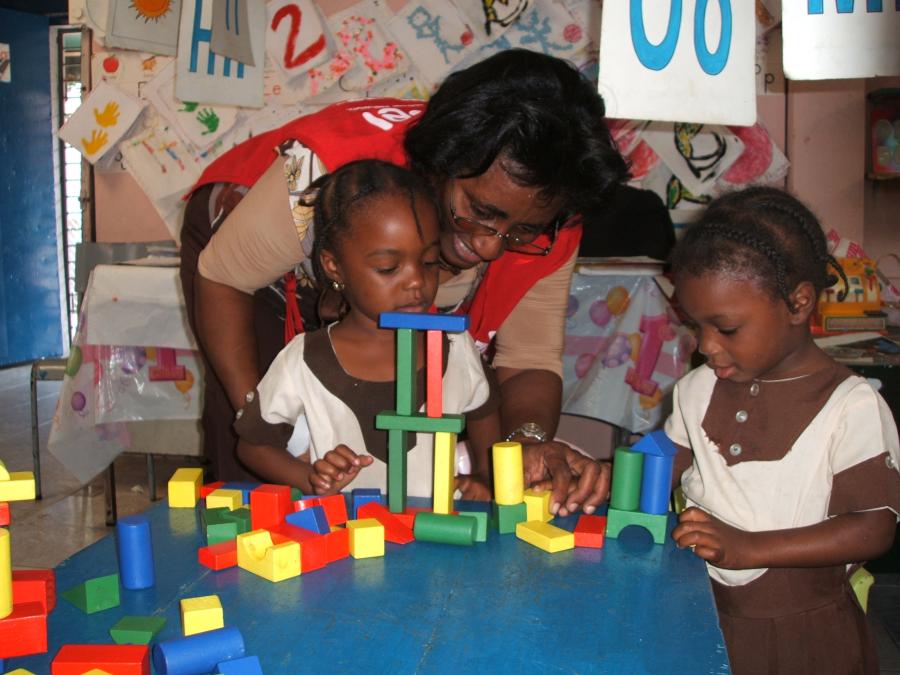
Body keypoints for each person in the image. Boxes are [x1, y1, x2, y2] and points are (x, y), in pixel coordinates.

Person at [181, 49, 630, 516]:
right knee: (263, 488)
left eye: (521, 230)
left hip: (363, 281)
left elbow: (528, 361)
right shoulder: (324, 174)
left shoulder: (550, 217)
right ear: (440, 165)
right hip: (258, 275)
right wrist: (268, 432)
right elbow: (223, 280)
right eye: (480, 212)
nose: (493, 249)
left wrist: (523, 445)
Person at [665, 186, 900, 673]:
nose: (706, 345)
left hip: (803, 636)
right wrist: (602, 472)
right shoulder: (695, 389)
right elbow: (664, 461)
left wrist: (750, 547)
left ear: (797, 304)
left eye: (726, 328)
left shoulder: (850, 406)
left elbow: (873, 527)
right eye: (694, 325)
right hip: (702, 618)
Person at [233, 160, 497, 498]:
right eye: (388, 268)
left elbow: (488, 427)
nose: (417, 280)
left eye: (430, 262)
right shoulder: (304, 359)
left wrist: (485, 481)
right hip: (346, 540)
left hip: (436, 538)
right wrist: (311, 478)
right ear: (334, 266)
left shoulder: (456, 349)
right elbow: (253, 446)